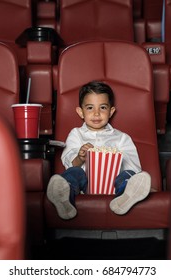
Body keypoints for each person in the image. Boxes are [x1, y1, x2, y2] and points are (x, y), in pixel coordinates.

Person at [47, 81, 152, 220]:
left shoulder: (121, 137)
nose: (96, 113)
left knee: (128, 173)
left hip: (114, 185)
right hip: (83, 185)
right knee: (74, 172)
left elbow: (133, 166)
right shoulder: (76, 134)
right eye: (90, 108)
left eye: (103, 107)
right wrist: (80, 157)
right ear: (81, 112)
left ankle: (125, 197)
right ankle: (64, 197)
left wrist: (114, 160)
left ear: (111, 111)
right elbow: (69, 160)